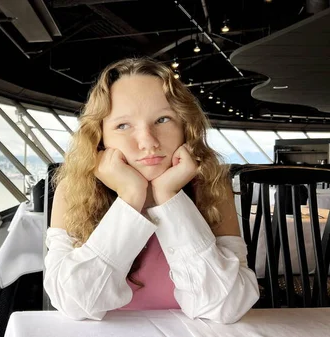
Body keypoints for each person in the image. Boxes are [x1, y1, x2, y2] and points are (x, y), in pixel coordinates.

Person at [44, 58, 259, 323]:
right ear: (100, 137)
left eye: (163, 119)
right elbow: (74, 304)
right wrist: (130, 199)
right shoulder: (74, 188)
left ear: (185, 128)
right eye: (123, 125)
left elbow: (228, 307)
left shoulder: (210, 185)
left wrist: (169, 197)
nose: (148, 142)